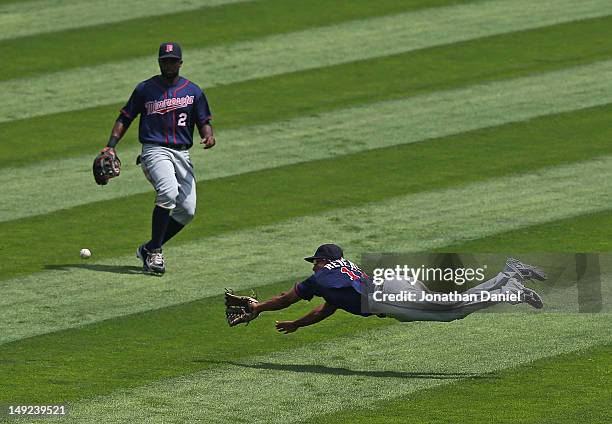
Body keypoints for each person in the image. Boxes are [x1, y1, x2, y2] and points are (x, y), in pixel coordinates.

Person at [226, 244, 545, 333]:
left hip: (387, 294)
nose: (312, 266)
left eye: (314, 261)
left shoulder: (321, 277)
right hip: (390, 288)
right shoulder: (339, 276)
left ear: (323, 260)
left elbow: (286, 298)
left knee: (451, 309)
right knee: (452, 309)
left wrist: (258, 308)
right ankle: (508, 277)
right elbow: (327, 308)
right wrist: (297, 324)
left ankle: (511, 286)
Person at [97, 42, 215, 275]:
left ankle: (148, 247)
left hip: (182, 153)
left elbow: (204, 121)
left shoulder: (193, 91)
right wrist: (110, 146)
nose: (168, 64)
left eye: (173, 60)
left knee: (187, 211)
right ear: (159, 62)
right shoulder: (145, 89)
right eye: (165, 60)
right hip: (154, 150)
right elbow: (126, 117)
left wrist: (208, 136)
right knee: (168, 192)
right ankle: (155, 253)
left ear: (180, 62)